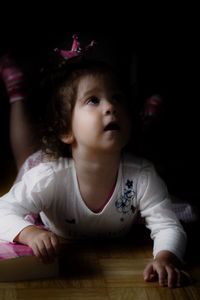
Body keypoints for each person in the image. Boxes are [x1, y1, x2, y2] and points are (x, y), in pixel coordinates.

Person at [0, 35, 187, 288]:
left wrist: (167, 257)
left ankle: (145, 120)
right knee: (27, 157)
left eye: (117, 98)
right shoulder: (47, 177)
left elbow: (168, 224)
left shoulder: (142, 176)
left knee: (145, 151)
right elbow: (2, 210)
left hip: (131, 155)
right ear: (66, 130)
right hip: (47, 163)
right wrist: (28, 232)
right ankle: (17, 94)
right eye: (93, 100)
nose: (110, 106)